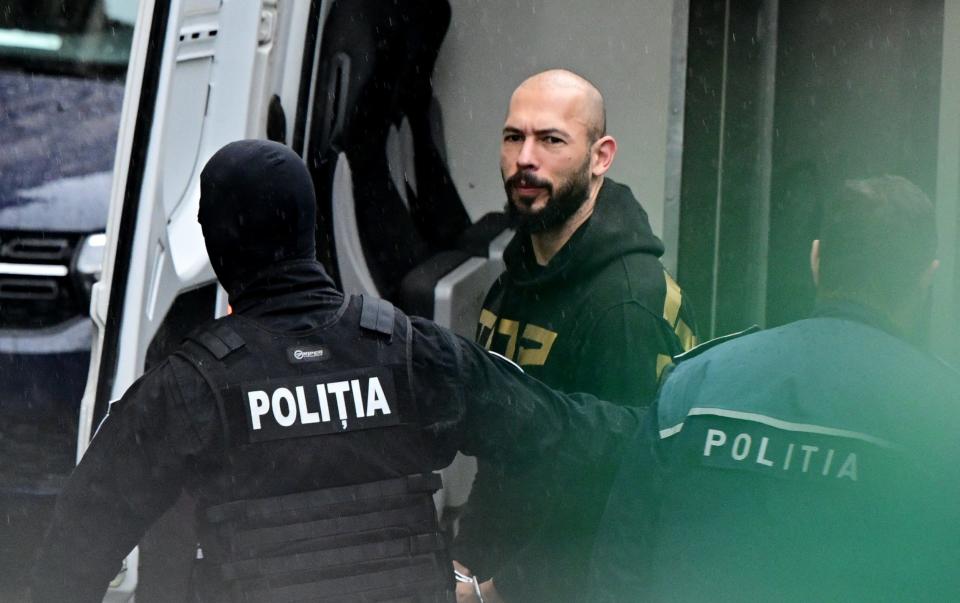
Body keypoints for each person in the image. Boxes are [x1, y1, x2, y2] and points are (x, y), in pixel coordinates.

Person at [29, 140, 642, 603]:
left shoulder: (189, 389)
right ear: (307, 228)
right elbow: (569, 438)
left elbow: (73, 558)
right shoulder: (413, 353)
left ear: (217, 241)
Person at [587, 175, 960, 602]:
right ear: (927, 277)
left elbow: (616, 574)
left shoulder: (693, 385)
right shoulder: (946, 416)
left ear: (816, 259)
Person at [452, 69, 697, 603]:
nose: (525, 159)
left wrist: (498, 591)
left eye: (551, 140)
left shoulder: (626, 305)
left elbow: (619, 494)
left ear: (600, 156)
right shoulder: (514, 280)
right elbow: (500, 454)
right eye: (514, 137)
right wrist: (463, 564)